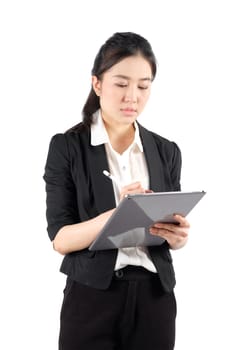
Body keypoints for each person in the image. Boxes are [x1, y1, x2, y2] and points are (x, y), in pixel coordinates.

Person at [43, 31, 190, 350]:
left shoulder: (167, 151)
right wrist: (117, 214)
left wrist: (177, 238)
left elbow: (169, 231)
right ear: (97, 84)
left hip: (155, 298)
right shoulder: (68, 147)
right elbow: (60, 239)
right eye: (121, 84)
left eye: (143, 85)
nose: (132, 96)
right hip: (92, 297)